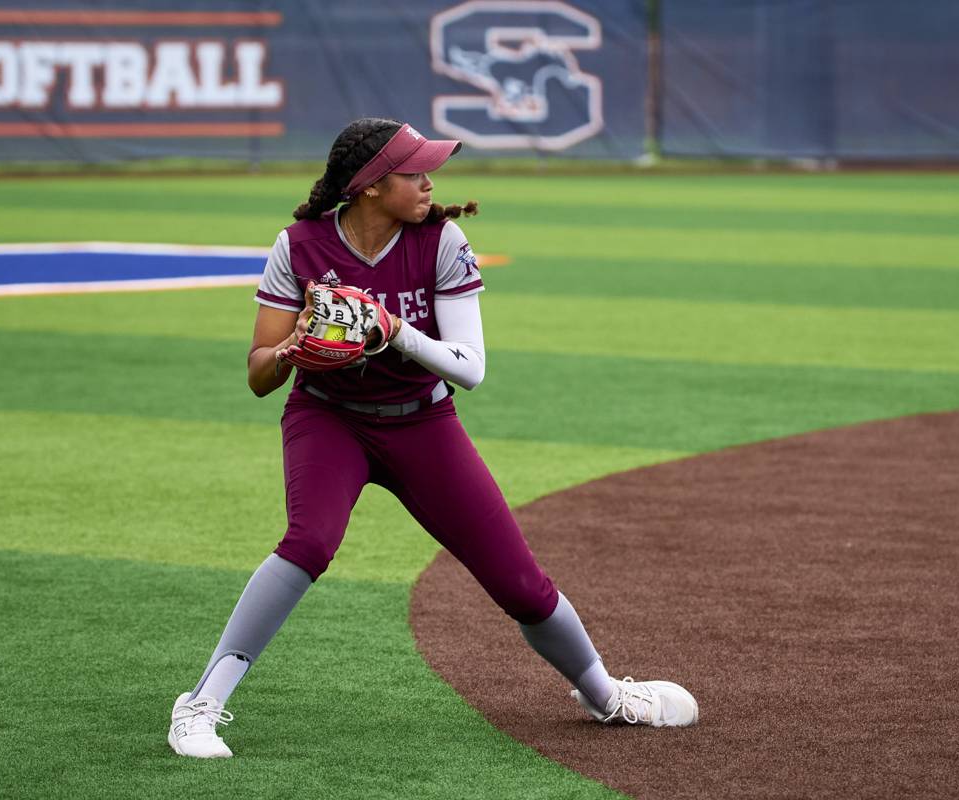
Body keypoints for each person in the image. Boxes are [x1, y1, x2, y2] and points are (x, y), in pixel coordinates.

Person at [167, 118, 698, 759]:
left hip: (423, 423)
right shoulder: (299, 245)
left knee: (519, 584)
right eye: (414, 172)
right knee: (308, 542)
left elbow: (470, 368)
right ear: (369, 186)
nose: (429, 183)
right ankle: (200, 705)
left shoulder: (441, 240)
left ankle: (604, 695)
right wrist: (292, 349)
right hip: (329, 418)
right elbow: (259, 375)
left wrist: (393, 330)